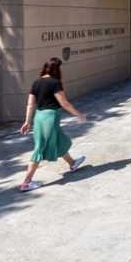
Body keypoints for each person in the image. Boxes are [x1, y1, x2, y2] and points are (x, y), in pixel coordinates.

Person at [18, 57, 87, 192]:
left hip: (39, 117)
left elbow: (30, 104)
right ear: (57, 69)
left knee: (59, 141)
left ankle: (73, 163)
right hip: (50, 117)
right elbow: (64, 103)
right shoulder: (55, 83)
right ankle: (26, 183)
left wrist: (27, 121)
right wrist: (79, 114)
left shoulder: (36, 82)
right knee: (40, 148)